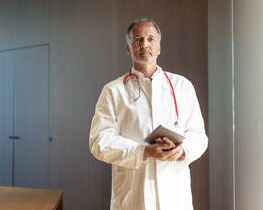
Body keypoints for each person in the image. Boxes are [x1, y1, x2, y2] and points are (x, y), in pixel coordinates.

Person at [89, 18, 208, 210]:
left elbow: (199, 136)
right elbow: (99, 141)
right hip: (134, 196)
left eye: (151, 39)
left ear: (159, 47)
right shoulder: (113, 90)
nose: (145, 44)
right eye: (138, 39)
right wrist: (143, 151)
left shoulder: (182, 86)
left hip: (175, 196)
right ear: (129, 49)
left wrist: (182, 150)